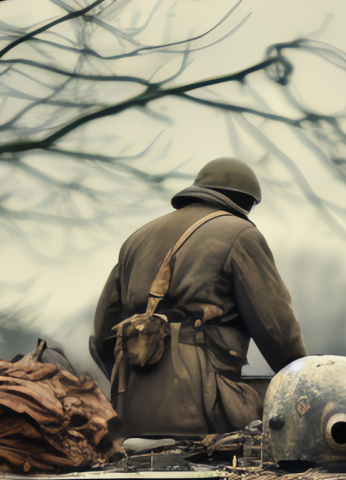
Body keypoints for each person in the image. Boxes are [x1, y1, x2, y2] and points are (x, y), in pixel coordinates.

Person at [91, 158, 306, 439]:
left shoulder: (137, 239)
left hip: (132, 421)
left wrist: (138, 380)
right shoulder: (241, 235)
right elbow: (278, 334)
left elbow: (103, 337)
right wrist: (306, 382)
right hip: (205, 418)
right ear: (247, 202)